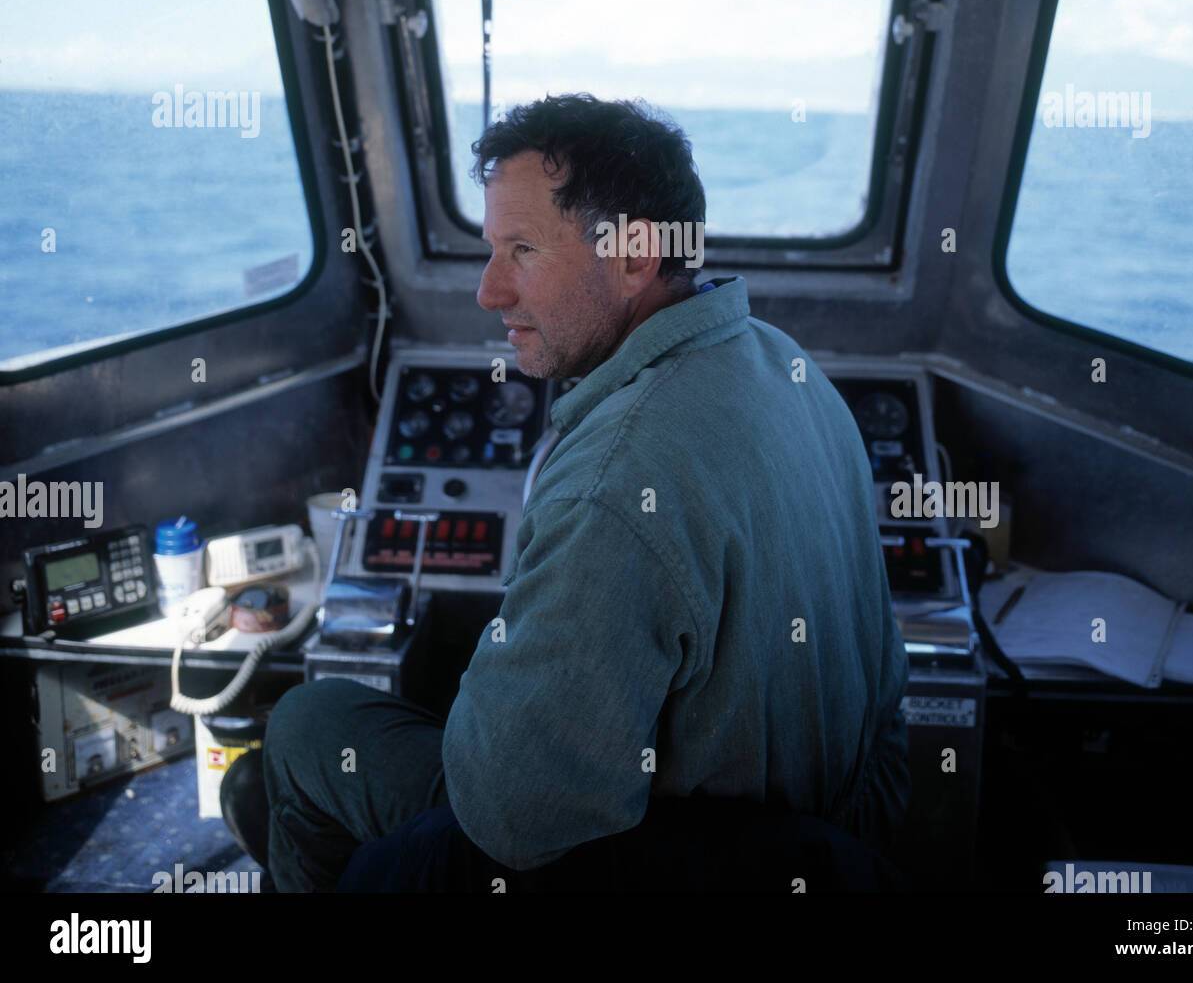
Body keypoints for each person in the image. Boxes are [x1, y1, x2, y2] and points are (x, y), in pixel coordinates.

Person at [247, 93, 911, 892]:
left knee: (304, 723)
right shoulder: (786, 366)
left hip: (645, 859)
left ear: (634, 255)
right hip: (828, 844)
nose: (490, 291)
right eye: (491, 249)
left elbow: (515, 818)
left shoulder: (613, 486)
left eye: (522, 250)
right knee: (269, 779)